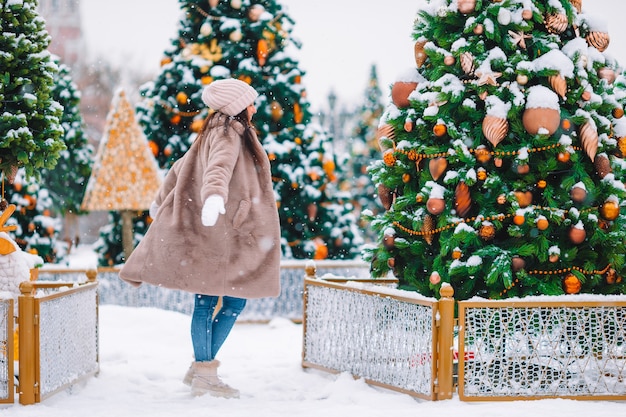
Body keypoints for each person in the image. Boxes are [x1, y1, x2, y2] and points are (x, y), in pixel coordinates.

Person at [119, 78, 281, 398]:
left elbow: (180, 168)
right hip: (222, 232)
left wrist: (160, 198)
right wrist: (215, 196)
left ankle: (201, 367)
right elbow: (218, 169)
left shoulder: (213, 132)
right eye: (250, 102)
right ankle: (205, 373)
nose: (255, 107)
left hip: (218, 229)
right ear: (236, 106)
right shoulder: (227, 133)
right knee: (222, 301)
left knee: (214, 300)